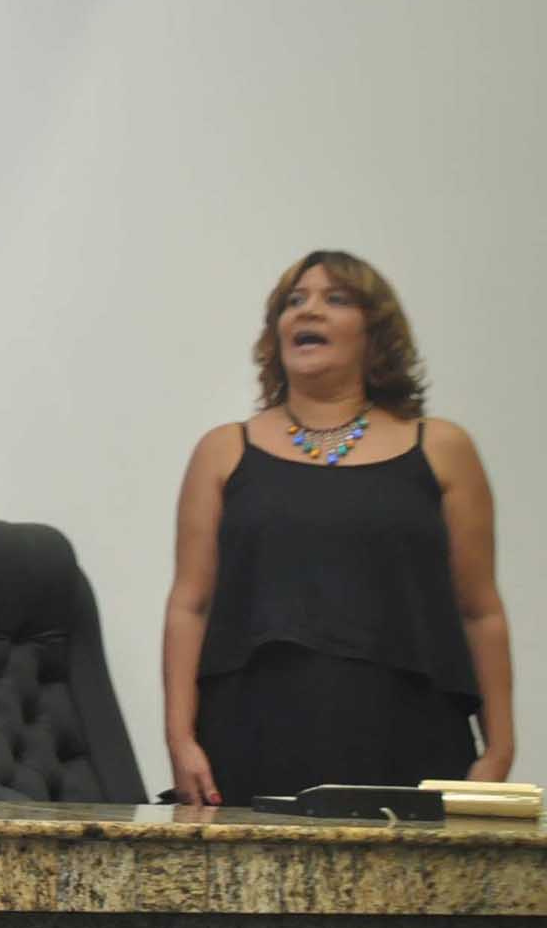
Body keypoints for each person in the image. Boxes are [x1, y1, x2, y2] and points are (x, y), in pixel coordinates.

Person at [162, 250, 513, 804]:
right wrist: (180, 738)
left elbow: (480, 610)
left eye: (336, 299)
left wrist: (499, 752)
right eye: (294, 301)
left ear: (375, 334)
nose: (309, 312)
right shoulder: (224, 451)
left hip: (410, 737)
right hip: (251, 739)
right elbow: (191, 604)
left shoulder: (442, 449)